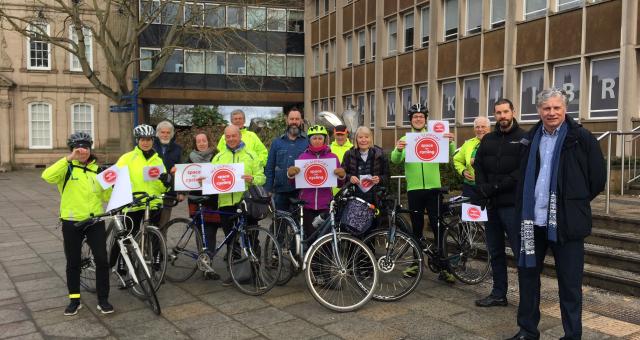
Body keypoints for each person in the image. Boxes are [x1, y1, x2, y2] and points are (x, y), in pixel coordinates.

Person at [508, 89, 605, 340]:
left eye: (556, 108)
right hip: (532, 222)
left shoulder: (581, 138)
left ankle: (572, 336)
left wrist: (572, 204)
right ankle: (527, 332)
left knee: (570, 285)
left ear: (565, 110)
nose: (551, 113)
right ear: (539, 111)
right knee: (528, 280)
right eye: (546, 108)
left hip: (567, 223)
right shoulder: (530, 139)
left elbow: (597, 180)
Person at [41, 132, 113, 315]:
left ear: (90, 149)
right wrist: (69, 158)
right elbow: (47, 176)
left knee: (102, 260)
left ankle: (103, 299)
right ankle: (74, 299)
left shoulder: (98, 170)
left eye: (86, 148)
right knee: (73, 261)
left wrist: (115, 185)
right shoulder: (66, 168)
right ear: (72, 149)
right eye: (78, 149)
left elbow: (106, 196)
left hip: (95, 220)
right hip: (71, 221)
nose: (83, 152)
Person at [390, 103, 456, 283]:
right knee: (416, 228)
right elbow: (395, 160)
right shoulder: (406, 138)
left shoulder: (435, 136)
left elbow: (449, 155)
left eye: (421, 116)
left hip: (434, 189)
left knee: (438, 227)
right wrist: (398, 149)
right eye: (415, 116)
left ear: (426, 119)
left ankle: (444, 267)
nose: (418, 119)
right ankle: (415, 263)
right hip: (414, 189)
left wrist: (450, 142)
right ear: (410, 120)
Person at [472, 99, 526, 308]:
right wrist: (483, 187)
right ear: (494, 115)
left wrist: (495, 187)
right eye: (498, 113)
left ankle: (527, 298)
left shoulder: (523, 138)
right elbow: (479, 166)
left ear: (513, 112)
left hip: (512, 206)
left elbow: (521, 171)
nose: (502, 116)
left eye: (505, 112)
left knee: (520, 252)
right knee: (495, 252)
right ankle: (498, 294)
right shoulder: (488, 139)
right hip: (492, 206)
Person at [211, 125, 266, 285]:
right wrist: (204, 180)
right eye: (228, 136)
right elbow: (210, 178)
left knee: (252, 239)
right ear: (224, 138)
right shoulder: (219, 157)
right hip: (226, 204)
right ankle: (234, 274)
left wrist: (252, 179)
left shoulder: (251, 155)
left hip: (247, 203)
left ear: (239, 136)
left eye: (234, 136)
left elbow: (262, 178)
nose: (231, 139)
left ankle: (256, 275)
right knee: (231, 241)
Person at [286, 125, 346, 236]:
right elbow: (294, 183)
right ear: (309, 140)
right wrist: (291, 175)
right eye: (314, 138)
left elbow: (339, 184)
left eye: (320, 138)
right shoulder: (303, 157)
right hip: (307, 204)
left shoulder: (332, 157)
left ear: (324, 140)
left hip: (325, 205)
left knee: (325, 238)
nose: (317, 141)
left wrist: (342, 176)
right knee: (310, 237)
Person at [117, 124, 170, 234]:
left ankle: (153, 252)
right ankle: (116, 252)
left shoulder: (158, 161)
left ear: (153, 140)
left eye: (148, 140)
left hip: (153, 204)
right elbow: (116, 179)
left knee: (154, 241)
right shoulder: (127, 158)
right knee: (127, 239)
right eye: (142, 140)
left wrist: (166, 181)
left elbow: (163, 189)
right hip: (133, 205)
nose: (146, 143)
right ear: (137, 140)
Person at [183, 132, 220, 280]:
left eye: (204, 140)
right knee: (200, 232)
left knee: (211, 231)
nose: (202, 143)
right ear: (195, 144)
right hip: (196, 197)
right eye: (198, 141)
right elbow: (183, 176)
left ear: (208, 141)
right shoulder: (190, 158)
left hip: (212, 198)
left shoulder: (217, 155)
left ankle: (208, 262)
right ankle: (205, 265)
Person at [265, 107, 308, 211]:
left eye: (297, 119)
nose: (294, 122)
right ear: (287, 120)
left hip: (301, 191)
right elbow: (270, 167)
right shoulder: (277, 142)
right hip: (280, 191)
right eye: (291, 119)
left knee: (299, 225)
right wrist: (268, 189)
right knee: (280, 224)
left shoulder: (308, 141)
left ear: (301, 121)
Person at [341, 126, 389, 203]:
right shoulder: (349, 154)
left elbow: (387, 176)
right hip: (353, 198)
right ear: (356, 139)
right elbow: (342, 175)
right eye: (360, 137)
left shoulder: (380, 154)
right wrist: (349, 178)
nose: (363, 140)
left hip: (376, 198)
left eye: (366, 137)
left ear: (371, 139)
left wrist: (380, 179)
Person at [153, 120, 184, 227]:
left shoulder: (178, 149)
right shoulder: (150, 146)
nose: (165, 135)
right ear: (158, 133)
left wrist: (181, 192)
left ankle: (161, 243)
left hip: (169, 191)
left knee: (163, 224)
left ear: (171, 134)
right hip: (152, 190)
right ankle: (147, 244)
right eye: (163, 132)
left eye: (168, 132)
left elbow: (181, 170)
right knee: (150, 224)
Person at [453, 116, 490, 199]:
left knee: (487, 211)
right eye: (477, 127)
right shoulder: (468, 144)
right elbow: (457, 160)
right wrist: (463, 171)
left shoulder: (496, 142)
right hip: (469, 187)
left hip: (488, 187)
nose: (480, 129)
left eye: (483, 126)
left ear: (489, 128)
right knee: (470, 211)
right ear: (474, 129)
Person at [329, 125, 353, 195]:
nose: (340, 137)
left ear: (347, 134)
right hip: (332, 188)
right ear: (334, 135)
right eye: (337, 135)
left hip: (349, 187)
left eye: (342, 135)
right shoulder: (329, 149)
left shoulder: (353, 148)